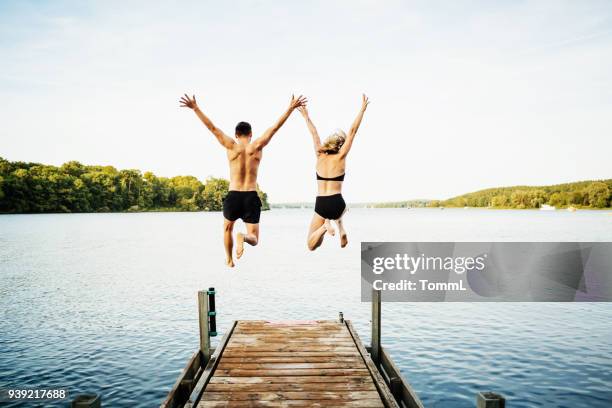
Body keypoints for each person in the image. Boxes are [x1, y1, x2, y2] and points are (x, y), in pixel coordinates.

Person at [180, 93, 307, 267]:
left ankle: (229, 259)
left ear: (236, 134)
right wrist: (290, 108)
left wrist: (195, 108)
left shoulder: (231, 145)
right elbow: (275, 127)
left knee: (227, 228)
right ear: (251, 134)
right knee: (254, 239)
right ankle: (244, 237)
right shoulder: (257, 145)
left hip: (233, 196)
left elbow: (212, 128)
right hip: (250, 196)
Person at [297, 94, 370, 251]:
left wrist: (306, 116)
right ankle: (341, 228)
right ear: (340, 146)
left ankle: (324, 227)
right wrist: (362, 110)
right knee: (343, 208)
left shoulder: (319, 154)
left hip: (322, 203)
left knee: (311, 245)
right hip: (338, 203)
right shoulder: (341, 156)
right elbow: (352, 131)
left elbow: (314, 132)